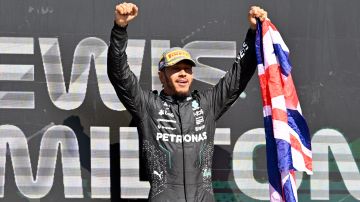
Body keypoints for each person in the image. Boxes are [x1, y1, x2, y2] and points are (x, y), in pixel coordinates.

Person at [107, 2, 268, 201]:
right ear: (162, 75)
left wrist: (253, 33)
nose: (183, 73)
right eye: (175, 69)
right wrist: (120, 29)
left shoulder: (206, 105)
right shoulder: (149, 106)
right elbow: (119, 75)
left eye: (188, 69)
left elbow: (237, 77)